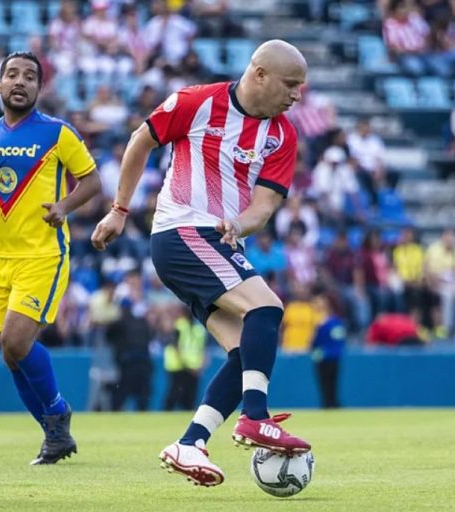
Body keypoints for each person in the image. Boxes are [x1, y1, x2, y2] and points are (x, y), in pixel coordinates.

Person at [91, 39, 311, 487]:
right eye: (291, 85)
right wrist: (119, 209)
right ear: (260, 74)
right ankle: (255, 417)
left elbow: (264, 206)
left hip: (219, 243)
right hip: (182, 233)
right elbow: (139, 142)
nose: (296, 96)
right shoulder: (197, 102)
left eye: (301, 88)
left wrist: (241, 225)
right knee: (266, 309)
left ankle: (190, 443)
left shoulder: (282, 134)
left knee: (243, 353)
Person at [0, 51, 101, 465]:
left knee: (16, 340)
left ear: (39, 88)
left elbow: (91, 181)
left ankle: (57, 411)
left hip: (43, 254)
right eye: (12, 75)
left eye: (29, 77)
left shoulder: (58, 134)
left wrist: (64, 206)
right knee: (10, 353)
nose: (20, 82)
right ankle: (54, 435)